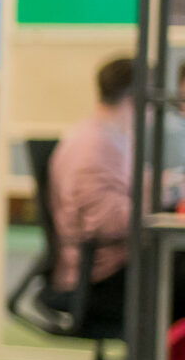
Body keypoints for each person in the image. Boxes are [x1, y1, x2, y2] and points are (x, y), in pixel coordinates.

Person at [47, 54, 134, 308]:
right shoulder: (95, 146)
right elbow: (108, 222)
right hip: (101, 275)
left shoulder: (107, 137)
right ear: (134, 98)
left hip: (112, 264)